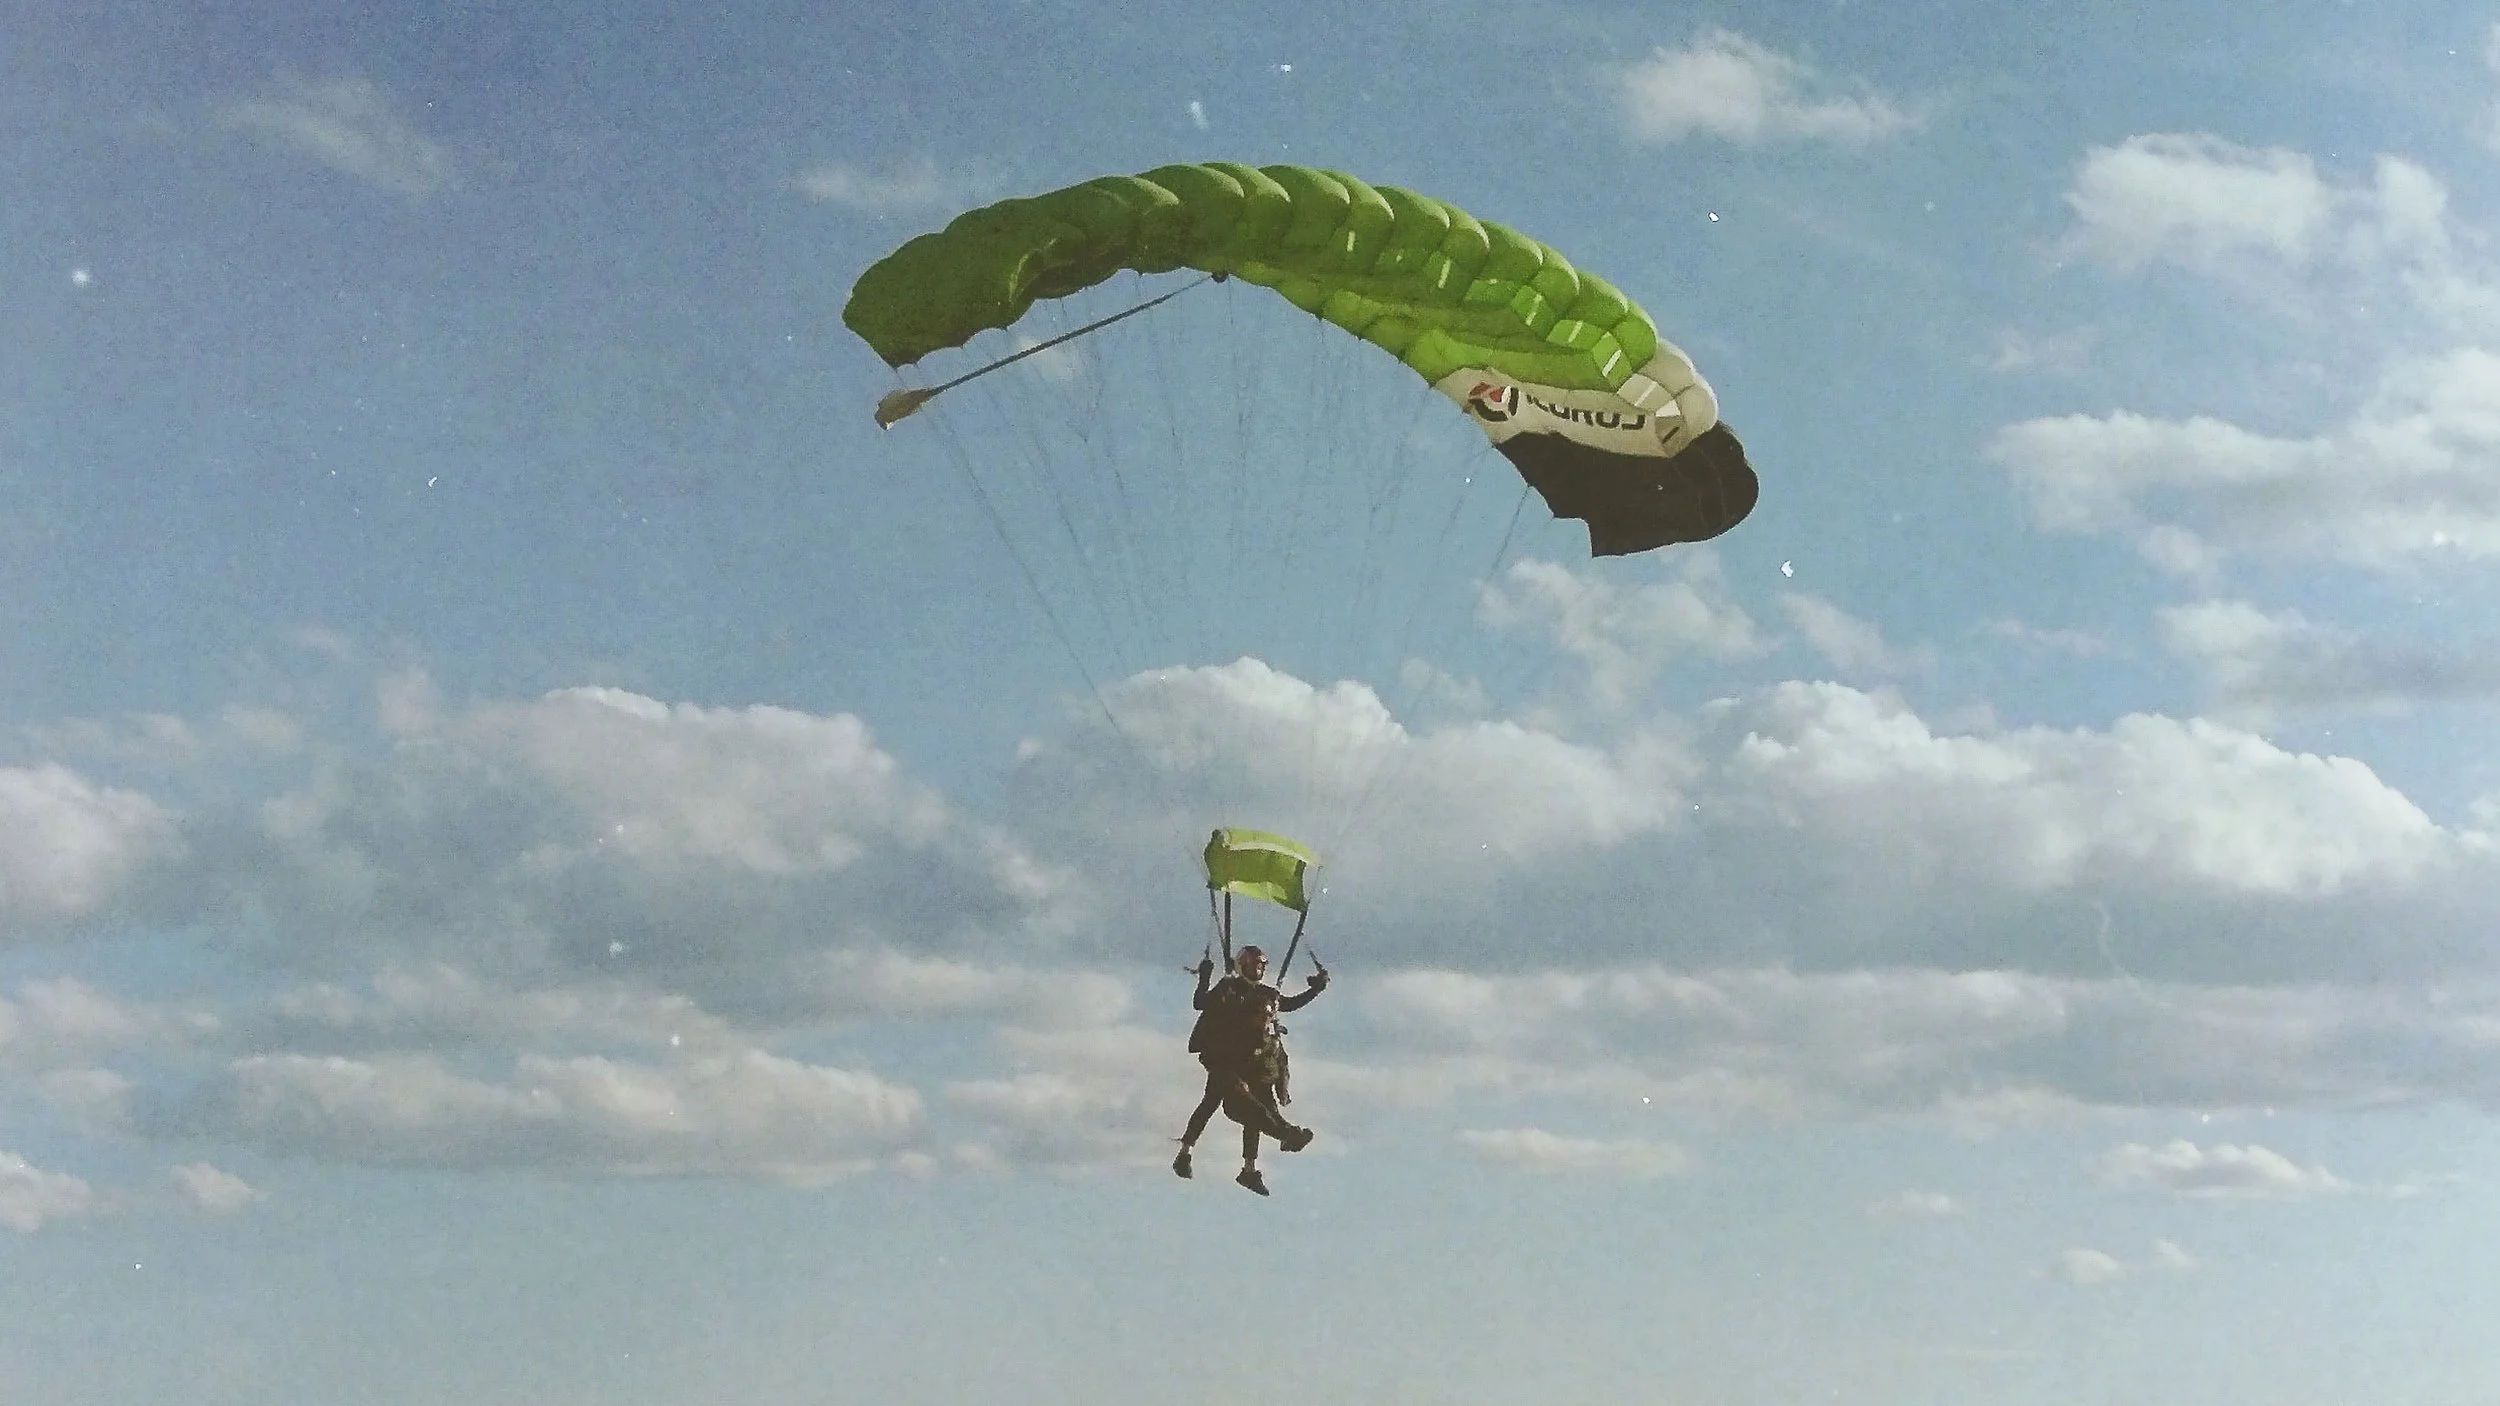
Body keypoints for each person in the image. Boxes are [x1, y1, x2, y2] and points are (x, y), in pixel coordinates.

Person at [1173, 944, 1327, 1195]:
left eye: (1262, 966)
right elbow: (1200, 1002)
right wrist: (1204, 976)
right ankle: (1283, 1135)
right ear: (1243, 965)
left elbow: (1289, 1004)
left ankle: (1248, 1169)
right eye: (1255, 965)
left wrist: (1315, 990)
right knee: (1218, 1103)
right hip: (1224, 1061)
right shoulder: (1229, 988)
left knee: (1248, 1109)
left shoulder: (1268, 995)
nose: (1259, 970)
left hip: (1249, 1064)